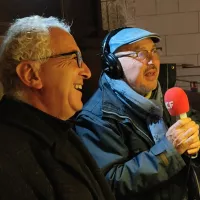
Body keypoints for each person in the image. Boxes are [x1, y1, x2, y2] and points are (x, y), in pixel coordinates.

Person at [75, 27, 200, 200]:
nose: (152, 60)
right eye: (140, 53)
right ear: (113, 65)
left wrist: (194, 137)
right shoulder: (96, 118)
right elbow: (109, 184)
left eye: (154, 51)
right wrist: (168, 152)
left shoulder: (164, 96)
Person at [0, 15, 115, 200]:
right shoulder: (7, 156)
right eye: (74, 58)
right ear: (31, 75)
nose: (87, 71)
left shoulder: (59, 131)